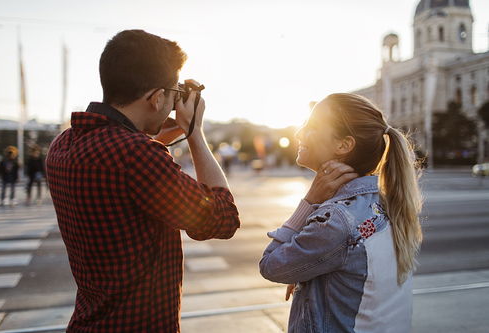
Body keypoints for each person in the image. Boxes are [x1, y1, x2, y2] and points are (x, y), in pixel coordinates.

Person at [46, 30, 240, 332]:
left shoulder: (64, 144)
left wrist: (167, 131)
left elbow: (124, 165)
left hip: (88, 322)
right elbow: (222, 219)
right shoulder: (136, 155)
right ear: (156, 97)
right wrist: (195, 134)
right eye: (173, 95)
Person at [259, 93, 423, 333]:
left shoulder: (337, 220)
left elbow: (271, 265)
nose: (298, 133)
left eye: (312, 126)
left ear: (344, 145)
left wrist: (309, 201)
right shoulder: (386, 203)